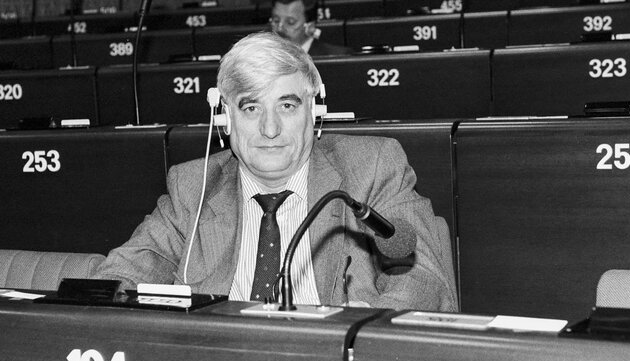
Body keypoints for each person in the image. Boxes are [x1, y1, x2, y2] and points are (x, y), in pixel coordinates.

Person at [94, 32, 457, 312]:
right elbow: (120, 275)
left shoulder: (373, 166)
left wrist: (360, 330)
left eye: (287, 105)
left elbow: (423, 277)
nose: (270, 129)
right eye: (251, 107)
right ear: (224, 118)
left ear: (314, 113)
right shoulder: (193, 187)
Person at [270, 0, 353, 57]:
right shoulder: (262, 58)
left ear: (310, 27)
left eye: (290, 22)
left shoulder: (337, 56)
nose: (280, 28)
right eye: (276, 20)